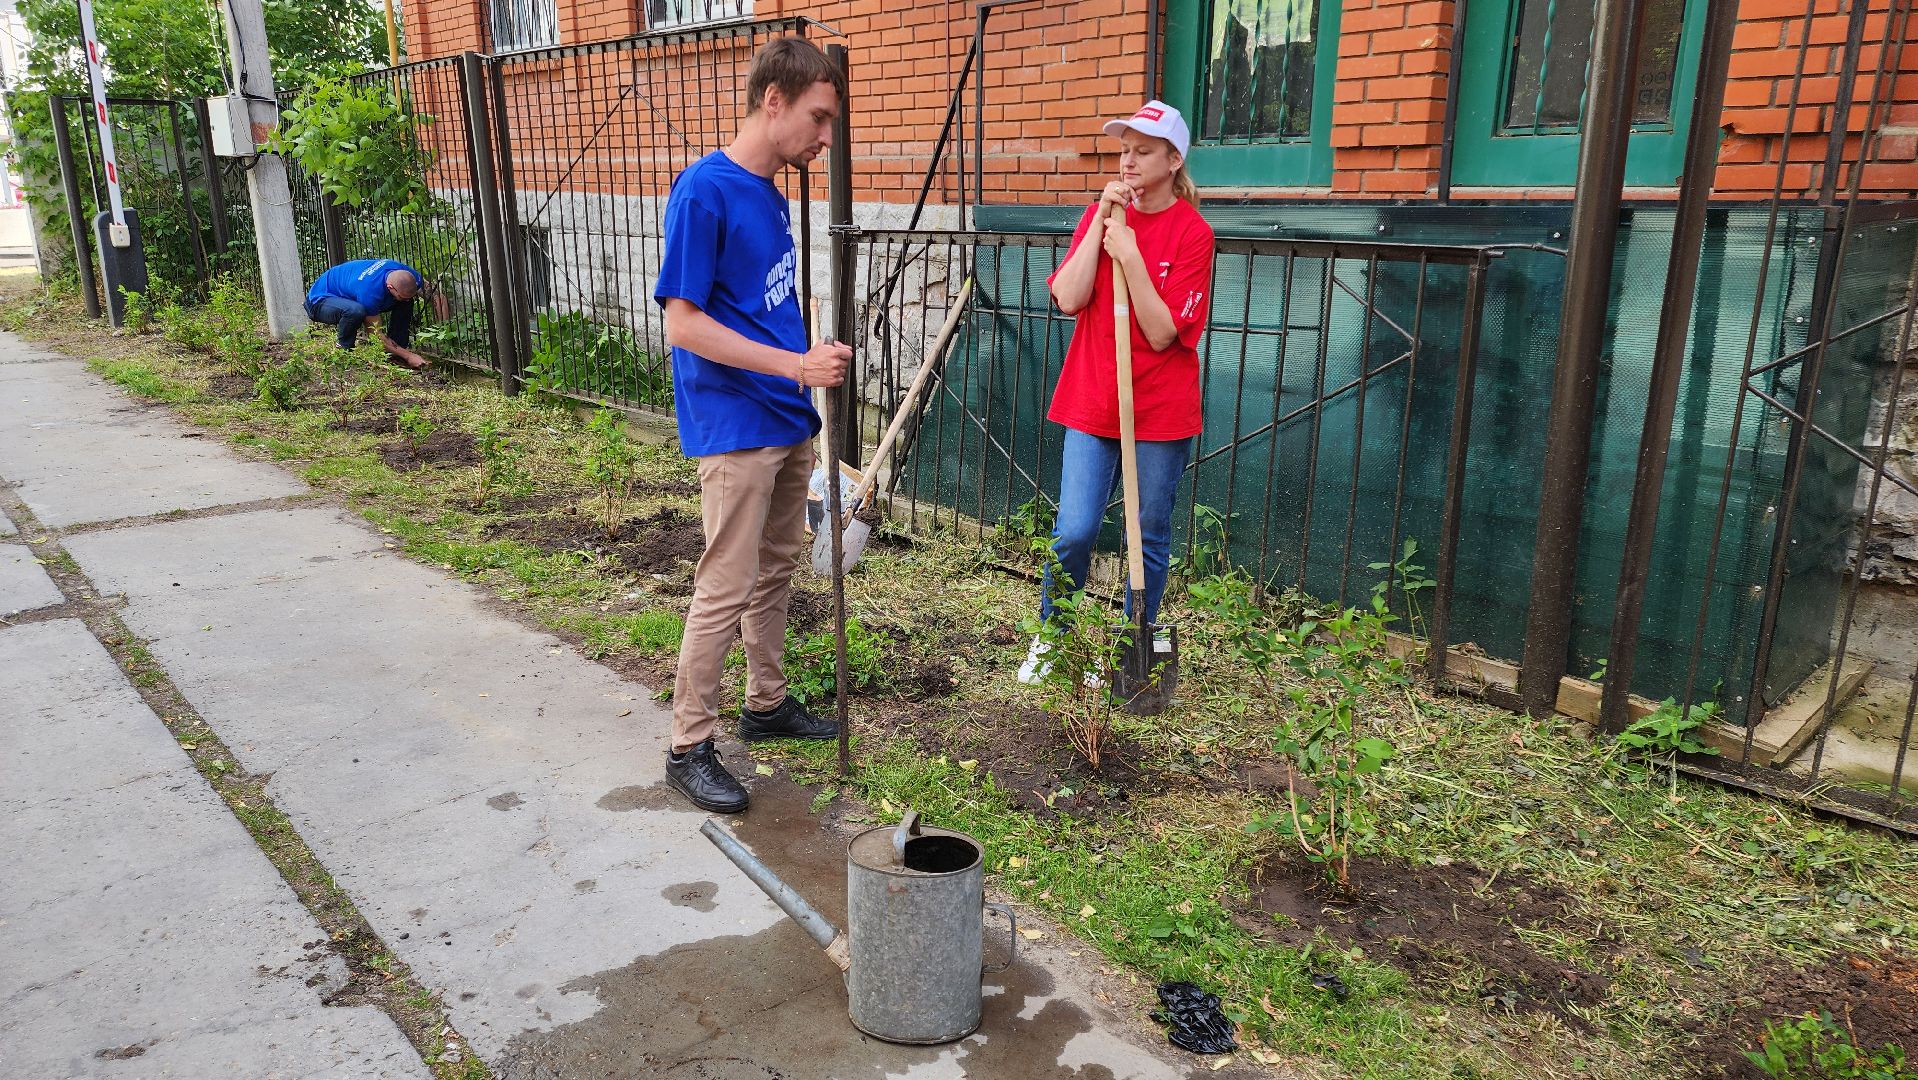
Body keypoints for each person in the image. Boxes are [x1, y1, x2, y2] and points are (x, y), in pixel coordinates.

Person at [652, 37, 852, 814]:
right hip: (733, 424)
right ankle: (688, 744)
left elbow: (758, 307)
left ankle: (765, 704)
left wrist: (804, 357)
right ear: (775, 100)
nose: (826, 136)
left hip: (783, 415)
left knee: (775, 568)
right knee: (725, 582)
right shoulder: (704, 189)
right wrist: (793, 368)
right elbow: (684, 325)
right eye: (818, 116)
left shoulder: (768, 190)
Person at [1019, 101, 1215, 684]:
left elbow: (1161, 333)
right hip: (1093, 396)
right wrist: (1103, 226)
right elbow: (1070, 297)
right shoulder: (1100, 214)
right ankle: (1054, 636)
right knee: (1075, 528)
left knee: (1147, 532)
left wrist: (1130, 256)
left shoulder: (1192, 234)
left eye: (1143, 150)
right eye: (1124, 149)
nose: (1128, 161)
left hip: (1159, 408)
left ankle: (1135, 648)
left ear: (1173, 159)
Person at [304, 258, 447, 369]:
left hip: (351, 292)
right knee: (355, 311)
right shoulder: (368, 292)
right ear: (390, 287)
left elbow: (437, 296)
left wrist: (445, 331)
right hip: (320, 301)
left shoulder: (408, 274)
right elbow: (375, 335)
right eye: (402, 295)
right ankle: (344, 351)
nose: (408, 299)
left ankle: (395, 354)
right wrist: (410, 356)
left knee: (405, 302)